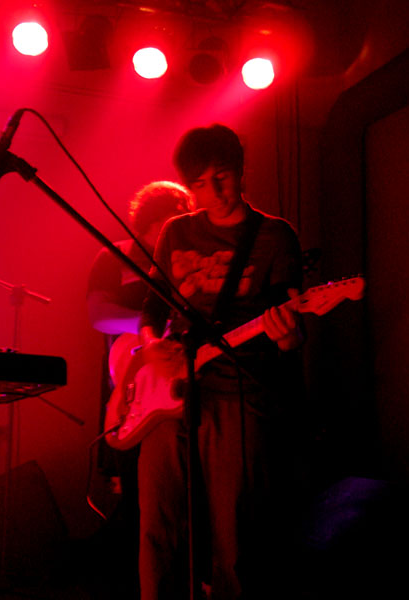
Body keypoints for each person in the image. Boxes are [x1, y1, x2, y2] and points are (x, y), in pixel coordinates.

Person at [136, 124, 306, 599]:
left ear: (241, 170)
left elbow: (292, 333)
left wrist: (288, 336)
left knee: (235, 535)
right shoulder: (175, 232)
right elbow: (151, 310)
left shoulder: (274, 236)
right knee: (158, 527)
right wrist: (150, 344)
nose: (214, 192)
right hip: (171, 391)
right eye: (199, 183)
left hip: (238, 391)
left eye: (223, 177)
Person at [86, 180, 194, 598]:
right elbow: (99, 315)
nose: (176, 229)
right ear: (146, 223)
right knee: (137, 501)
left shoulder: (186, 258)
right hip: (134, 390)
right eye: (167, 222)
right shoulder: (113, 255)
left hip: (184, 386)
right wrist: (152, 328)